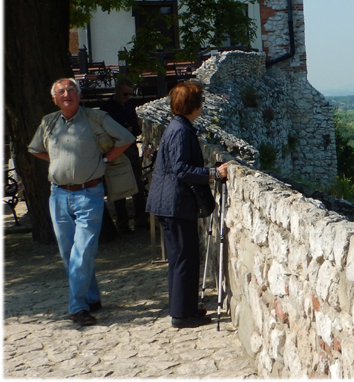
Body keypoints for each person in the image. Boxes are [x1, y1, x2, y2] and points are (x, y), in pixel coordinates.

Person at [28, 78, 134, 326]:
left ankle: (77, 307)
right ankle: (91, 297)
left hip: (89, 194)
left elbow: (126, 138)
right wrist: (58, 162)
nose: (67, 94)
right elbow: (35, 149)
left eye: (71, 90)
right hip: (58, 195)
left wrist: (104, 160)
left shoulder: (96, 118)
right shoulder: (48, 121)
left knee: (83, 251)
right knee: (69, 253)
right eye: (61, 91)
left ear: (79, 95)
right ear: (54, 99)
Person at [146, 81, 228, 329]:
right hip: (176, 203)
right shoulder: (181, 131)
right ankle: (182, 314)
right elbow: (181, 168)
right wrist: (213, 174)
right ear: (194, 105)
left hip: (170, 203)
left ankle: (185, 307)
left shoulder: (176, 127)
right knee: (184, 258)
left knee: (181, 258)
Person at [100, 78, 148, 233]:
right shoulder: (106, 109)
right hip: (116, 149)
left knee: (138, 185)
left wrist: (133, 128)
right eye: (125, 94)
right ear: (117, 90)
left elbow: (135, 127)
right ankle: (123, 224)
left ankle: (141, 220)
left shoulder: (129, 105)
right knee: (118, 186)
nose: (127, 97)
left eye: (130, 94)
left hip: (130, 148)